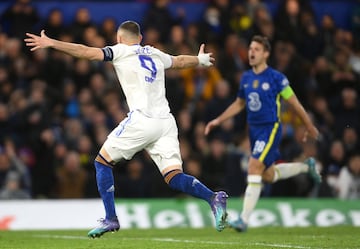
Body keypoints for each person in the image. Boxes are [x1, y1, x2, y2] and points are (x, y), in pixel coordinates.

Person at [25, 20, 228, 238]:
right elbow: (179, 61)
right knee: (173, 176)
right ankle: (213, 197)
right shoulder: (154, 52)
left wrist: (52, 43)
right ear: (140, 38)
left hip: (142, 120)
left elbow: (85, 51)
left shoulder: (120, 51)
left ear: (120, 38)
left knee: (101, 162)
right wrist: (200, 59)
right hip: (166, 123)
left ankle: (111, 218)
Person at [204, 35, 321, 232]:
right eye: (250, 48)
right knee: (267, 175)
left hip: (271, 127)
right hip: (254, 131)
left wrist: (309, 125)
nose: (251, 52)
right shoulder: (247, 77)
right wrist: (218, 120)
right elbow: (239, 103)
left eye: (257, 49)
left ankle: (244, 219)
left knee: (253, 166)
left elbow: (294, 103)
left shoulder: (276, 78)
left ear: (266, 54)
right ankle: (305, 167)